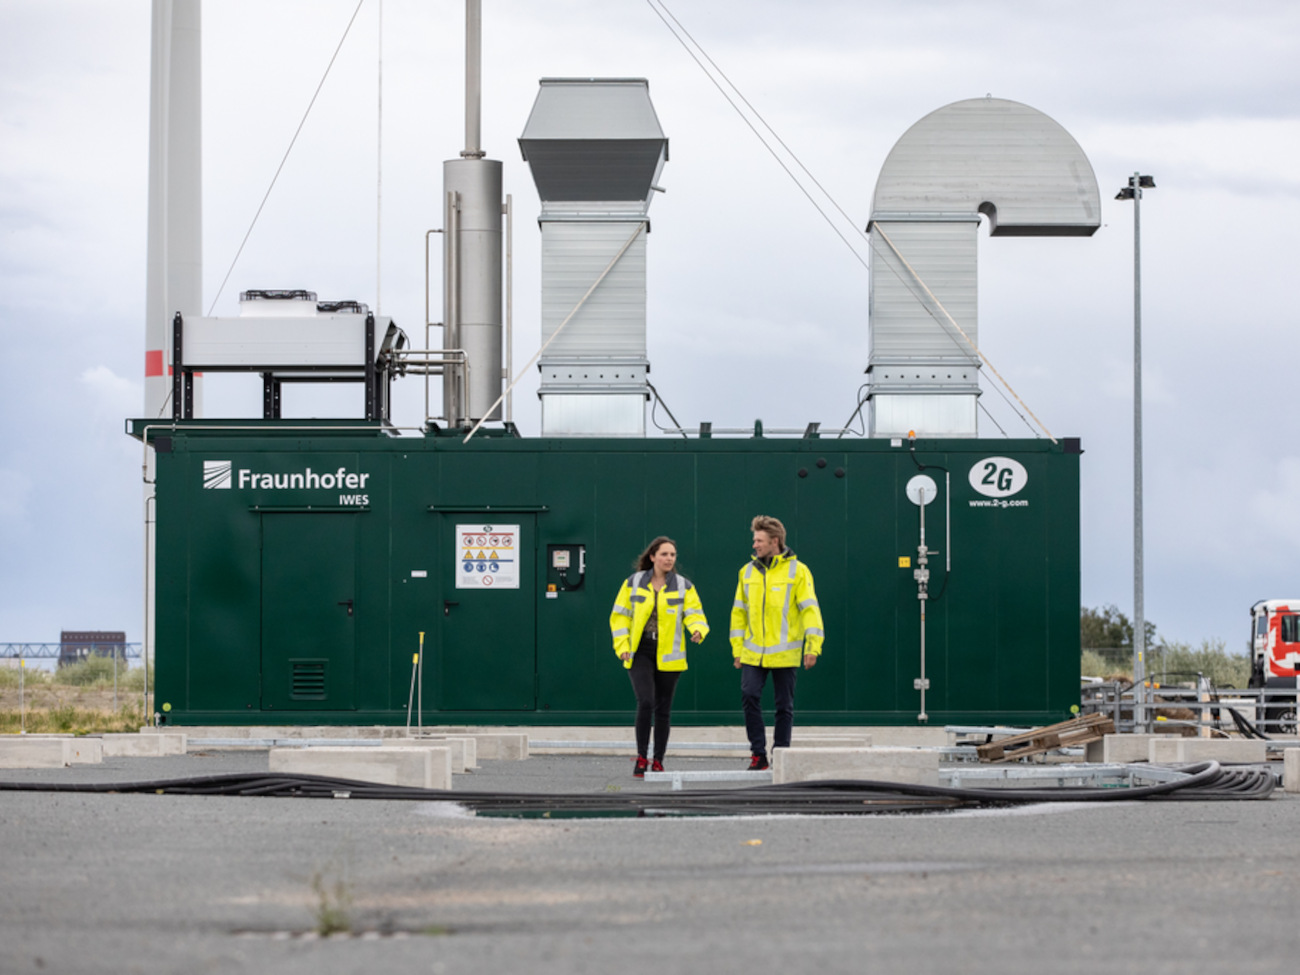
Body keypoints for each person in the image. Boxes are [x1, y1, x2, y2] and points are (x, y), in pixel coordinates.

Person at [730, 515, 824, 770]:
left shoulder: (798, 571)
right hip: (752, 653)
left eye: (759, 540)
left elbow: (810, 610)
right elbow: (739, 613)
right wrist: (737, 649)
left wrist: (812, 646)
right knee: (749, 695)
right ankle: (758, 754)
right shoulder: (746, 572)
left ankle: (781, 755)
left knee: (784, 706)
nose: (754, 545)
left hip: (785, 654)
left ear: (775, 541)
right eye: (754, 540)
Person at [609, 536, 708, 778]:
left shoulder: (684, 586)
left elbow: (695, 613)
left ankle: (659, 760)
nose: (669, 559)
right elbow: (620, 617)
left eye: (673, 555)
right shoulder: (633, 583)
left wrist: (698, 630)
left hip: (670, 655)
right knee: (645, 701)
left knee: (663, 709)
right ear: (652, 556)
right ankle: (642, 757)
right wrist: (621, 646)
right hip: (639, 650)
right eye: (664, 554)